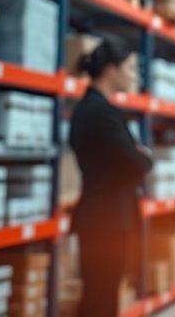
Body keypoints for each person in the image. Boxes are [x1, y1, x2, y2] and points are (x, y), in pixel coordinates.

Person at [68, 37, 152, 317]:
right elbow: (135, 161)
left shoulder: (91, 109)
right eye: (130, 68)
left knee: (98, 296)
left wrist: (137, 154)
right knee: (101, 299)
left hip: (102, 218)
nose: (134, 76)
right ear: (111, 69)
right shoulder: (101, 113)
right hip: (106, 221)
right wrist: (143, 155)